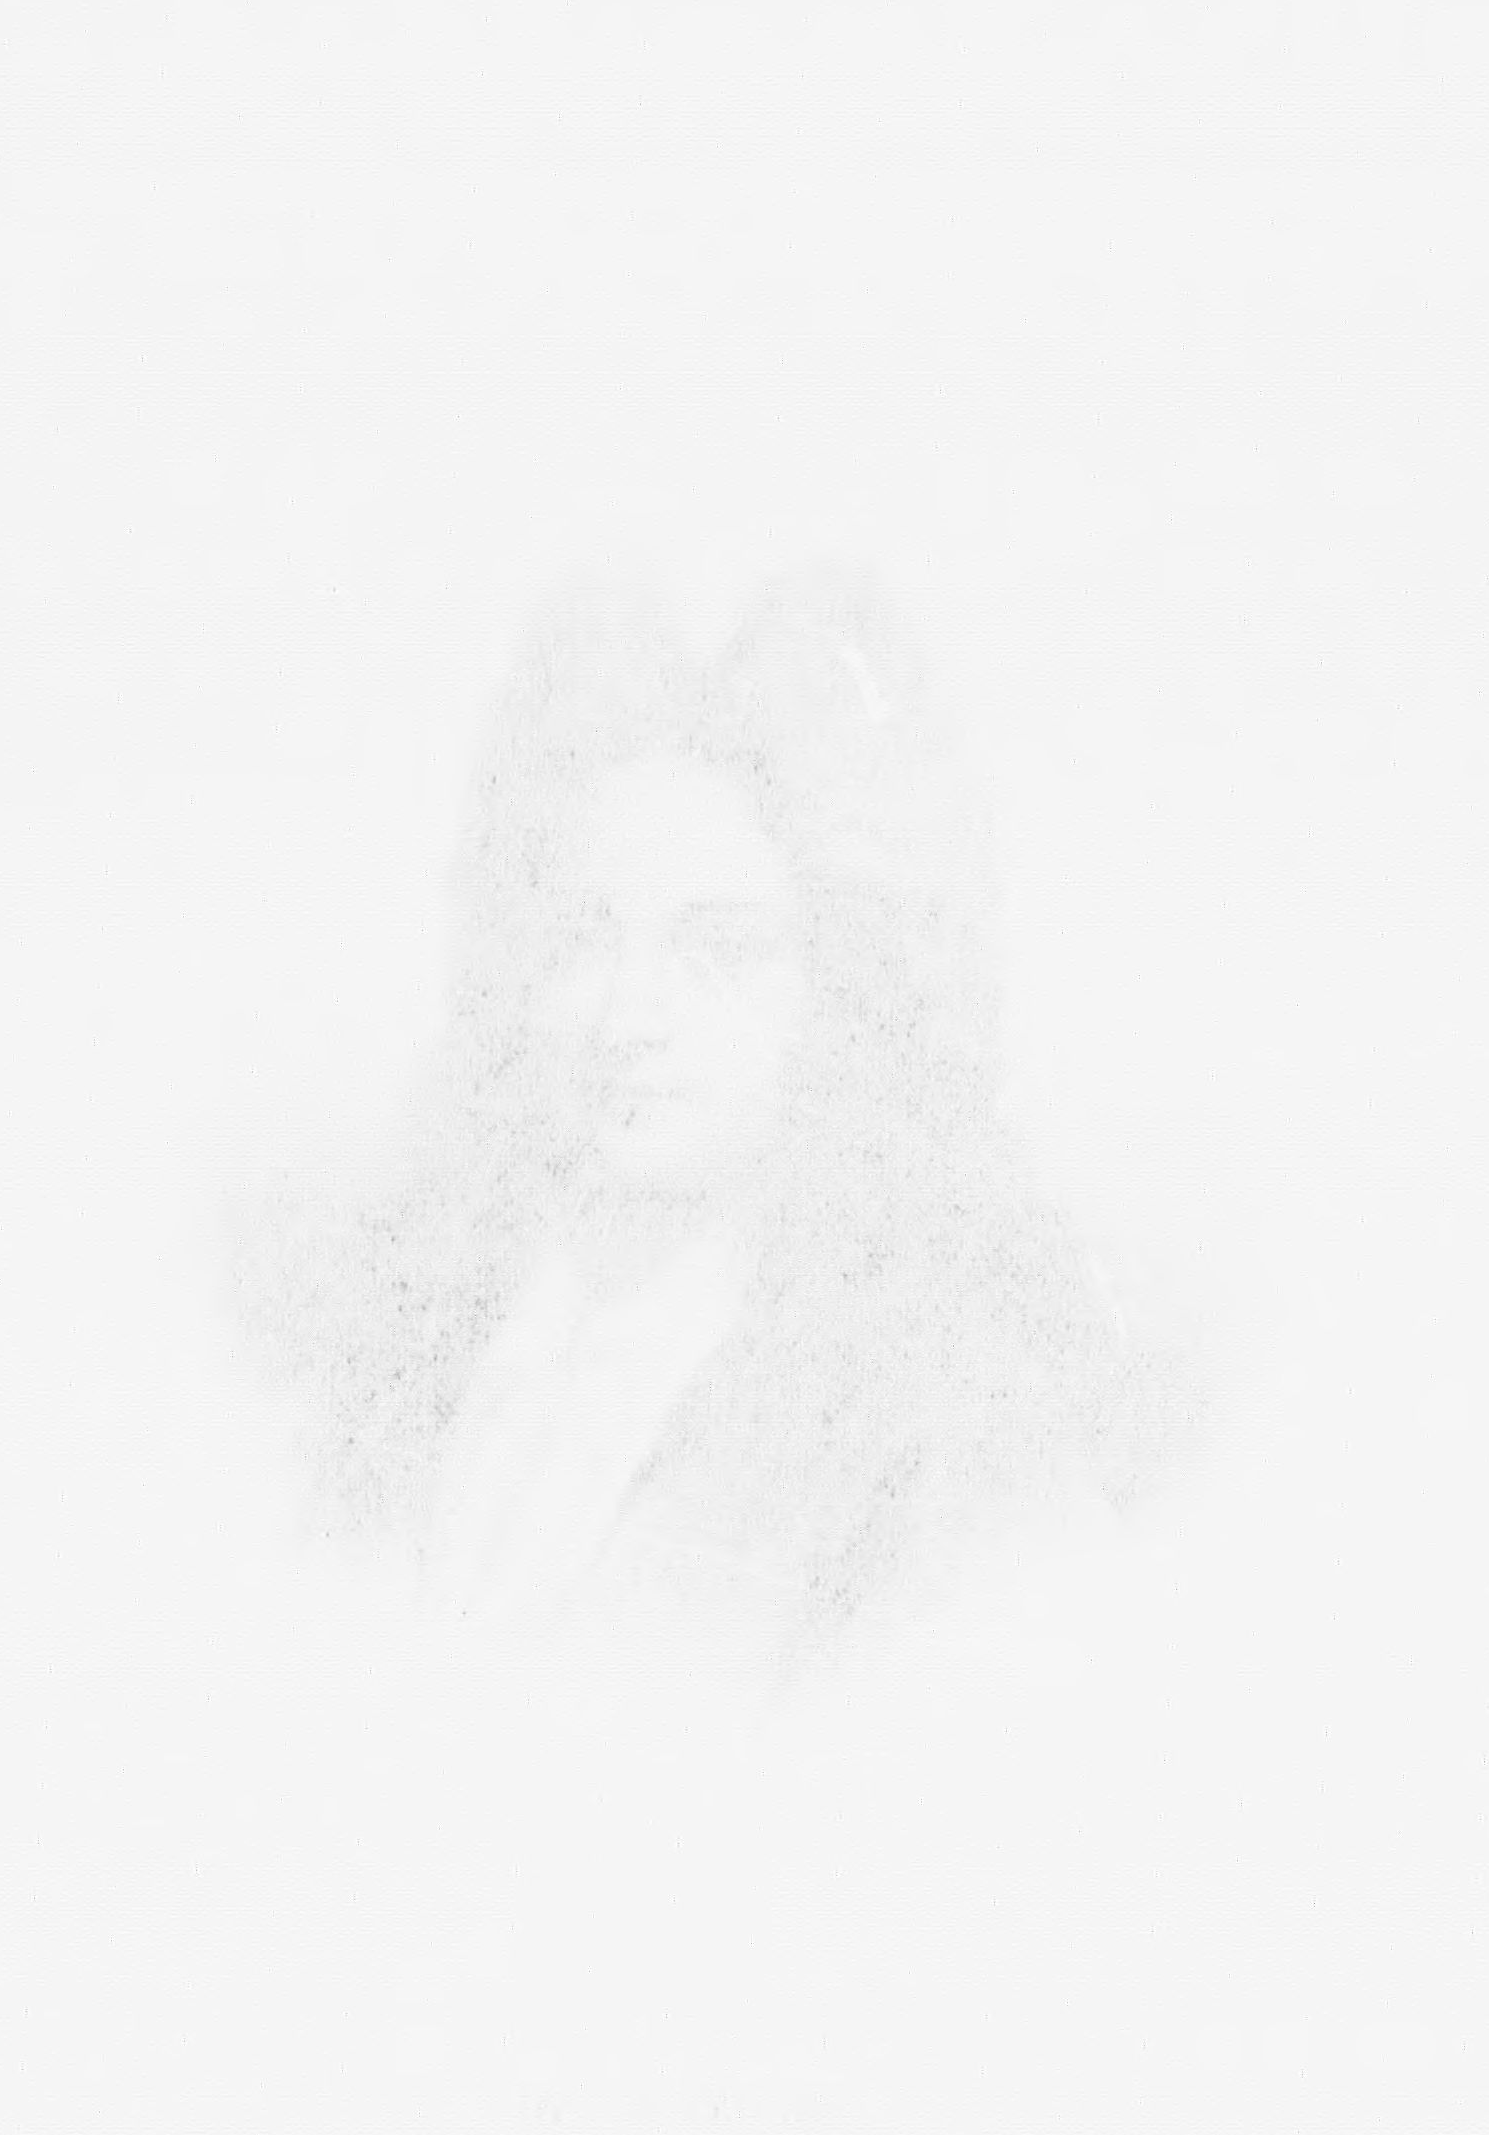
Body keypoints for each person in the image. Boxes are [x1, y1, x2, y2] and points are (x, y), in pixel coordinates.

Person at [251, 570, 1179, 1679]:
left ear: (834, 993)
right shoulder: (421, 1363)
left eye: (715, 950)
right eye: (586, 939)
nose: (628, 1017)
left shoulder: (938, 1450)